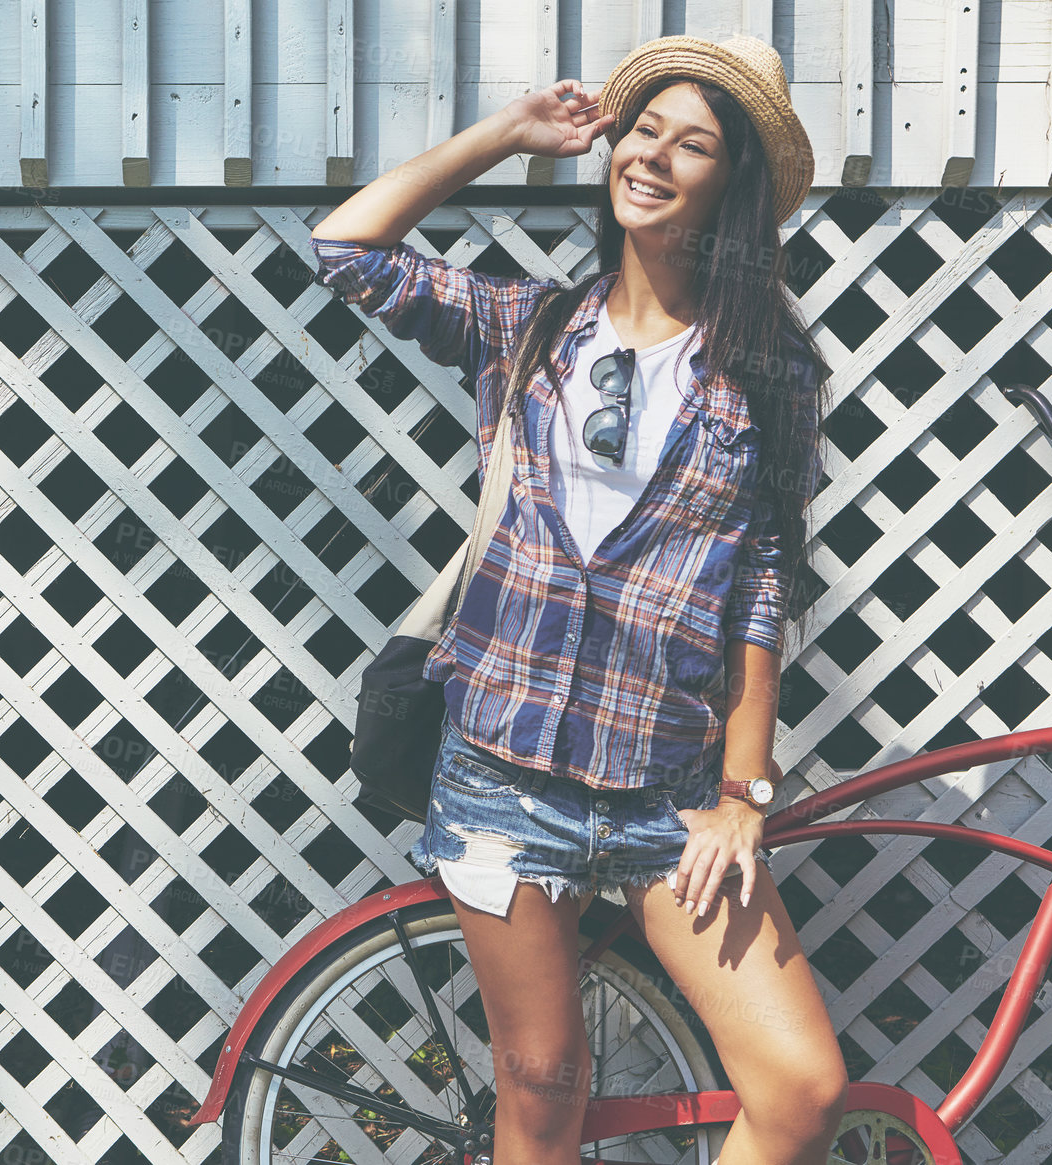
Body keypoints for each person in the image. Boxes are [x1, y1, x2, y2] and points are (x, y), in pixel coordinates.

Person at [308, 34, 847, 1165]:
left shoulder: (769, 373)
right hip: (502, 779)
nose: (652, 154)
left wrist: (744, 789)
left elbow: (762, 584)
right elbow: (347, 248)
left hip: (666, 797)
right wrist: (508, 135)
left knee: (798, 1087)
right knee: (544, 1101)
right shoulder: (532, 326)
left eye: (690, 141)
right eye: (643, 128)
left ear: (732, 184)